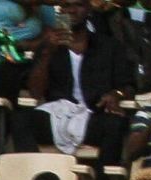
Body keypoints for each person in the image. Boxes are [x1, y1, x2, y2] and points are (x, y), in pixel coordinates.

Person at [22, 0, 138, 160]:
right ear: (60, 11)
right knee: (21, 119)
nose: (72, 11)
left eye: (78, 5)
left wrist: (116, 94)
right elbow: (35, 92)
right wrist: (48, 52)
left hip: (93, 115)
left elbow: (128, 86)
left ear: (89, 10)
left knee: (116, 125)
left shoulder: (110, 46)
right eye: (66, 6)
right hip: (58, 114)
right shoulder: (48, 46)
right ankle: (36, 172)